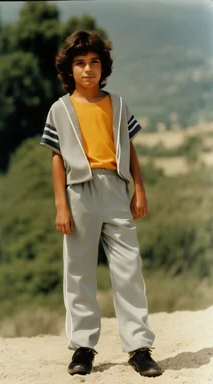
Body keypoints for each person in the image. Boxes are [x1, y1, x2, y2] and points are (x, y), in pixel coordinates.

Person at [40, 30, 162, 378]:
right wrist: (61, 206)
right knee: (78, 272)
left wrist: (139, 189)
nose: (88, 69)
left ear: (103, 67)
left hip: (116, 191)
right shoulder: (60, 109)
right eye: (80, 64)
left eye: (94, 62)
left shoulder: (118, 104)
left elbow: (130, 149)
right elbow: (56, 159)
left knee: (129, 270)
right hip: (79, 192)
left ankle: (139, 348)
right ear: (70, 70)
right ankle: (83, 347)